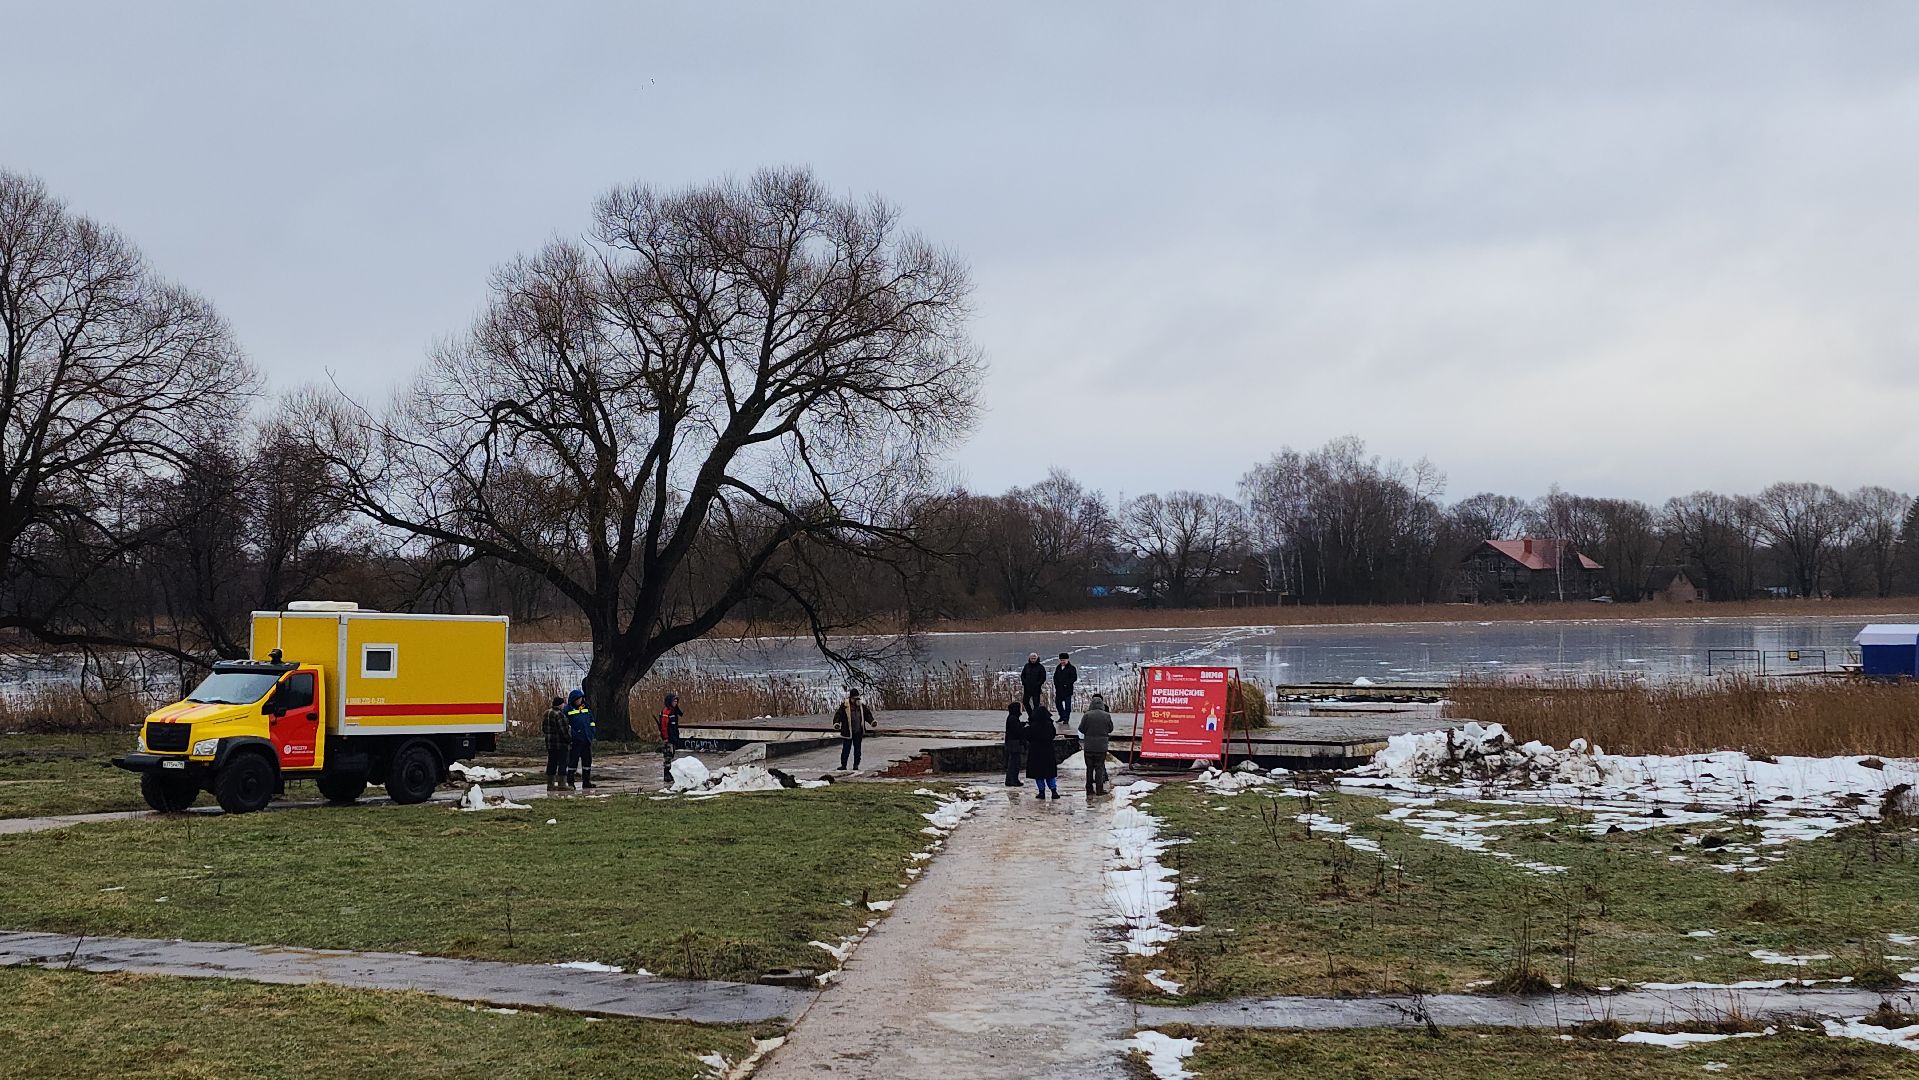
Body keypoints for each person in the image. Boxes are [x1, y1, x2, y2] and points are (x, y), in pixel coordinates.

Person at [1078, 692, 1115, 796]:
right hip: (1101, 747)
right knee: (1099, 768)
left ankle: (1089, 788)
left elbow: (1081, 729)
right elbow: (1110, 729)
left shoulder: (1087, 715)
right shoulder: (1106, 715)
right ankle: (1099, 789)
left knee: (1089, 768)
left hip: (1089, 747)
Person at [834, 689, 877, 770]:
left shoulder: (861, 706)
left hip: (858, 732)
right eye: (855, 698)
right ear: (851, 698)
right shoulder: (845, 706)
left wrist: (872, 722)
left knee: (857, 750)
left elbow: (867, 714)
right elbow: (838, 715)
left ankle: (856, 765)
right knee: (846, 750)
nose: (857, 700)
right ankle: (843, 765)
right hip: (847, 732)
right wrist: (836, 723)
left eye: (858, 698)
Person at [1025, 703, 1060, 798]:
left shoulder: (1032, 726)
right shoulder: (1050, 725)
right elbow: (1053, 735)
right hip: (1048, 751)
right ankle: (1054, 790)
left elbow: (1027, 736)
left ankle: (1041, 791)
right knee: (1050, 773)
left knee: (1038, 774)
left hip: (1035, 752)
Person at [564, 689, 596, 790]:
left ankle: (586, 782)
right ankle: (570, 782)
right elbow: (565, 725)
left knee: (587, 762)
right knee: (573, 762)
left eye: (580, 698)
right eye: (577, 699)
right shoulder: (568, 710)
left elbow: (591, 721)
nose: (579, 701)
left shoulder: (586, 708)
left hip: (587, 739)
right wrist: (571, 736)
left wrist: (592, 733)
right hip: (575, 741)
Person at [541, 695, 570, 791]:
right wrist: (568, 740)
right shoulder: (559, 714)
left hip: (550, 743)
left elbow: (544, 729)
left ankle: (550, 784)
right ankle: (562, 784)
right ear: (560, 704)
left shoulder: (546, 713)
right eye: (563, 704)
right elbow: (563, 730)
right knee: (562, 763)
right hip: (560, 744)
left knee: (551, 763)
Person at [658, 692, 684, 784]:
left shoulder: (674, 711)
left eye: (677, 701)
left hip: (674, 737)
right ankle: (667, 775)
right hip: (668, 738)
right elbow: (664, 726)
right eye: (674, 701)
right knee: (668, 757)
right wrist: (665, 737)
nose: (676, 703)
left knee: (672, 755)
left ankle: (671, 774)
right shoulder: (666, 712)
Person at [1002, 700, 1025, 787]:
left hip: (1011, 743)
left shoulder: (1011, 718)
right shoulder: (1014, 719)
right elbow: (1017, 732)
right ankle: (1013, 780)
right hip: (1014, 744)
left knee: (1013, 762)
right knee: (1014, 763)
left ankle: (1011, 779)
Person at [1053, 652, 1078, 729]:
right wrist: (1056, 684)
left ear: (1067, 660)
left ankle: (1066, 719)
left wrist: (1066, 684)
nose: (1062, 662)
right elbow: (1055, 677)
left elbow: (1074, 678)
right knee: (1058, 704)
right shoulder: (1058, 667)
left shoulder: (1072, 668)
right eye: (1061, 660)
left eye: (1064, 660)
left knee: (1067, 706)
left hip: (1067, 690)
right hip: (1059, 690)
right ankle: (1062, 716)